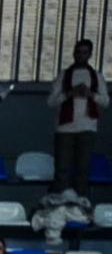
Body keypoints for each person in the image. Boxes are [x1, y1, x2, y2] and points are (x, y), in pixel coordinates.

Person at [47, 38, 108, 200]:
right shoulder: (64, 75)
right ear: (74, 53)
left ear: (90, 55)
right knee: (62, 169)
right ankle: (59, 204)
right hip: (65, 129)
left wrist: (91, 94)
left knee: (83, 169)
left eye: (85, 52)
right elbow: (51, 101)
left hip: (87, 127)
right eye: (78, 52)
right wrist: (69, 94)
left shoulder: (96, 76)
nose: (81, 55)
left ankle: (81, 204)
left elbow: (106, 101)